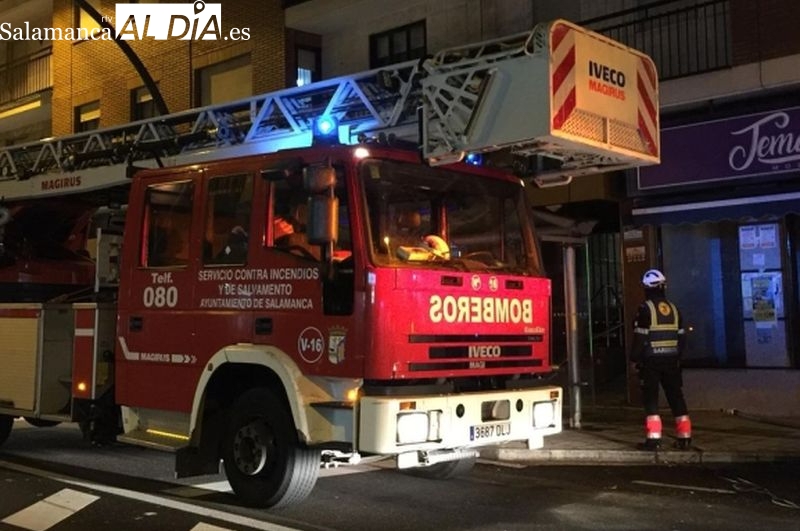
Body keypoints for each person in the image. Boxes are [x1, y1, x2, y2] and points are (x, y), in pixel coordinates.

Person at [630, 268, 692, 450]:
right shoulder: (674, 309)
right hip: (671, 360)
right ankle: (685, 436)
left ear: (647, 288)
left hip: (651, 362)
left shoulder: (645, 309)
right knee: (676, 397)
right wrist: (677, 357)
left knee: (651, 399)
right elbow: (682, 338)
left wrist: (634, 359)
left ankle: (654, 439)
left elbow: (640, 338)